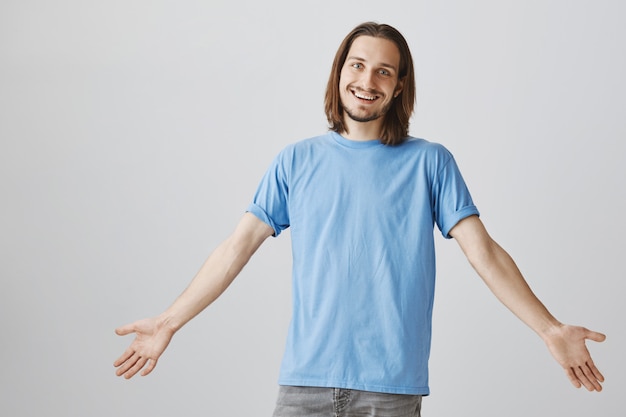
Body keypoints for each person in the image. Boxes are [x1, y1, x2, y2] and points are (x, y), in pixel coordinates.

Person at [114, 22, 605, 416]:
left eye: (384, 72)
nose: (367, 82)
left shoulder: (429, 163)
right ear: (339, 72)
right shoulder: (296, 160)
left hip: (389, 391)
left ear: (398, 87)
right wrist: (169, 321)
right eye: (358, 65)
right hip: (304, 384)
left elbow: (485, 254)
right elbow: (235, 248)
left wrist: (549, 328)